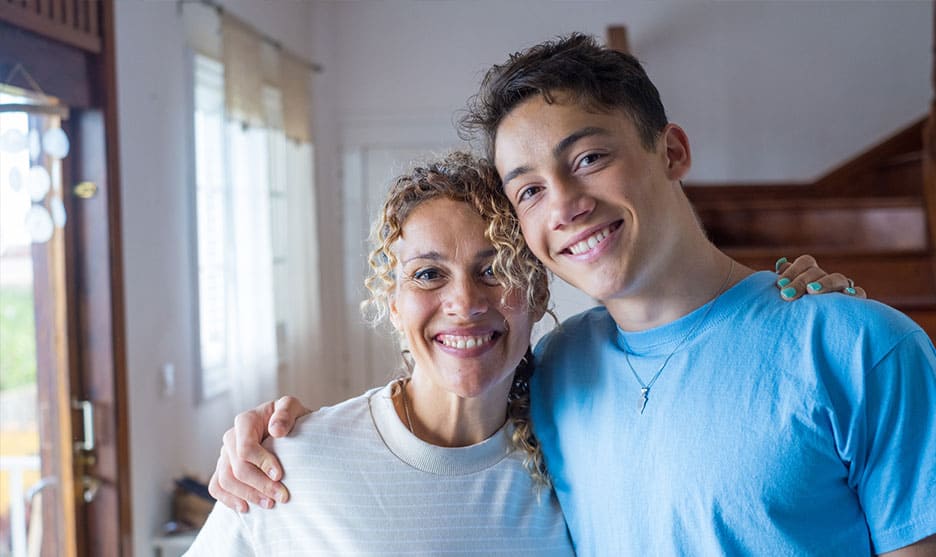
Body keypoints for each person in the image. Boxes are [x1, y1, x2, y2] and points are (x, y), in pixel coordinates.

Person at [210, 34, 936, 556]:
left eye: (588, 157)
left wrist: (833, 317)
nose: (565, 203)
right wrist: (274, 436)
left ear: (672, 150)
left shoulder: (858, 345)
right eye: (528, 189)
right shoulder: (557, 372)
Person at [185, 152, 574, 555]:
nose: (464, 301)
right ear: (393, 304)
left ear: (538, 293)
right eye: (428, 274)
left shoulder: (572, 469)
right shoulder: (289, 465)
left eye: (494, 270)